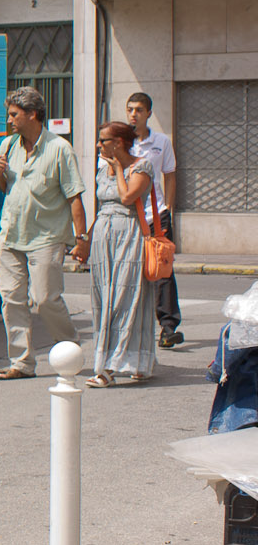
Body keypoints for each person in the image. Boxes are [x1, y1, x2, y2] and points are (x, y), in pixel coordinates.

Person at [0, 86, 88, 380]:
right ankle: (21, 362)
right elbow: (5, 187)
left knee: (45, 298)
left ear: (32, 114)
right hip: (10, 234)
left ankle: (70, 350)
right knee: (12, 300)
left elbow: (74, 197)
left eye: (14, 114)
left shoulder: (59, 148)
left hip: (46, 237)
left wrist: (81, 239)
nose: (10, 120)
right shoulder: (7, 145)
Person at [79, 121, 158, 387]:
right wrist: (86, 241)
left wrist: (118, 170)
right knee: (105, 298)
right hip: (104, 235)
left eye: (104, 140)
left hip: (129, 234)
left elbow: (127, 197)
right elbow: (101, 206)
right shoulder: (103, 172)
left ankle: (110, 368)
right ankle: (117, 360)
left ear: (119, 142)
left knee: (127, 297)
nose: (99, 145)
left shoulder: (142, 167)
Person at [121, 93, 184, 349]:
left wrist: (168, 206)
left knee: (162, 268)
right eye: (130, 109)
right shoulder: (121, 142)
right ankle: (129, 325)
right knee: (130, 268)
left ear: (148, 113)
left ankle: (168, 327)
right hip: (129, 215)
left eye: (138, 109)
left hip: (155, 214)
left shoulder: (161, 142)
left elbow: (169, 174)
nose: (133, 114)